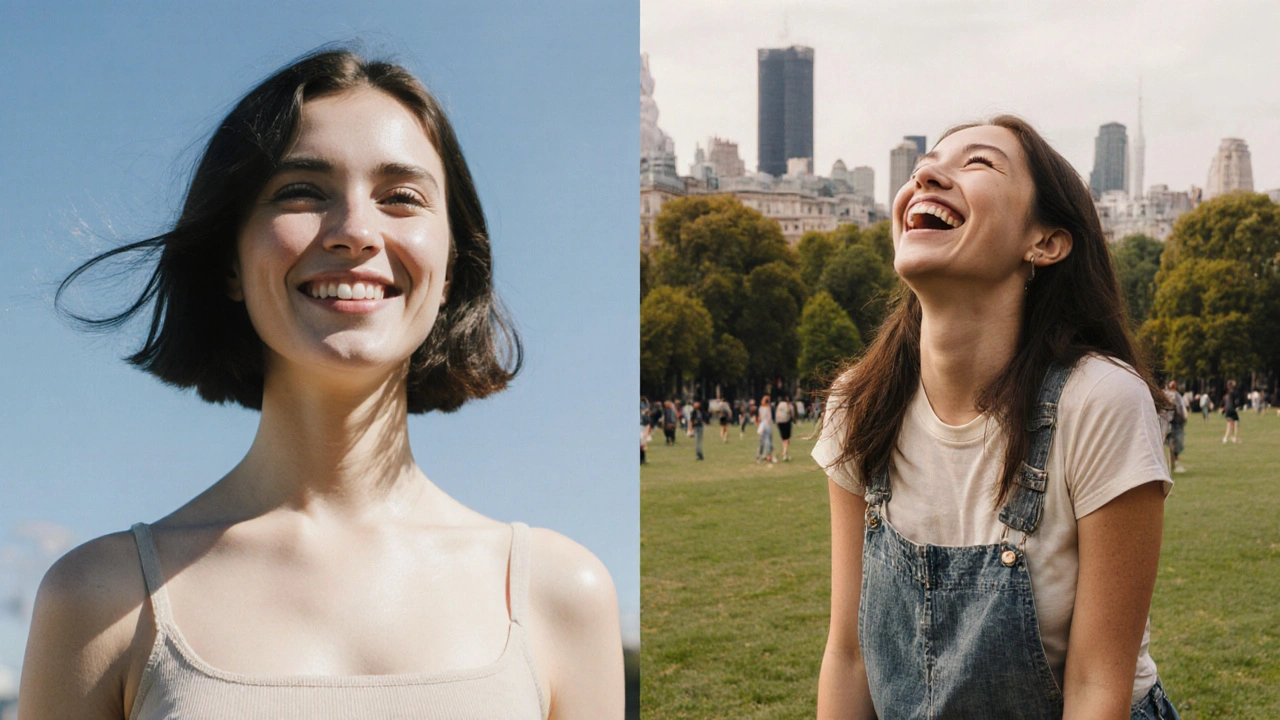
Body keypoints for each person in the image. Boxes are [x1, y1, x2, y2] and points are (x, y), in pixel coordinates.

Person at [21, 49, 622, 719]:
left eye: (401, 198)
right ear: (230, 259)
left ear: (451, 267)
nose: (356, 232)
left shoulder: (560, 595)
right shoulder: (99, 601)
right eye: (301, 191)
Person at [812, 116, 1179, 719]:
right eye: (925, 164)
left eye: (977, 164)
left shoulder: (1100, 400)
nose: (926, 175)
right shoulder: (859, 405)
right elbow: (849, 658)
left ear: (1045, 242)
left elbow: (1095, 689)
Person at [1163, 380, 1187, 473]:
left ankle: (1173, 464)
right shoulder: (1168, 394)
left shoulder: (1176, 395)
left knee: (1174, 445)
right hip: (1169, 423)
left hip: (1175, 423)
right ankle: (1171, 465)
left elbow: (1181, 407)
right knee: (1171, 445)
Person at [756, 394, 775, 464]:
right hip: (766, 426)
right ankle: (766, 456)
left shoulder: (763, 408)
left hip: (765, 426)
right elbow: (768, 418)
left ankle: (765, 456)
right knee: (766, 442)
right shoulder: (765, 408)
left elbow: (762, 418)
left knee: (766, 442)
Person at [775, 394, 793, 461]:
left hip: (779, 422)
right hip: (786, 422)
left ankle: (785, 452)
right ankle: (784, 453)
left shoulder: (779, 405)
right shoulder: (788, 404)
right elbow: (791, 413)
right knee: (787, 438)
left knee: (783, 438)